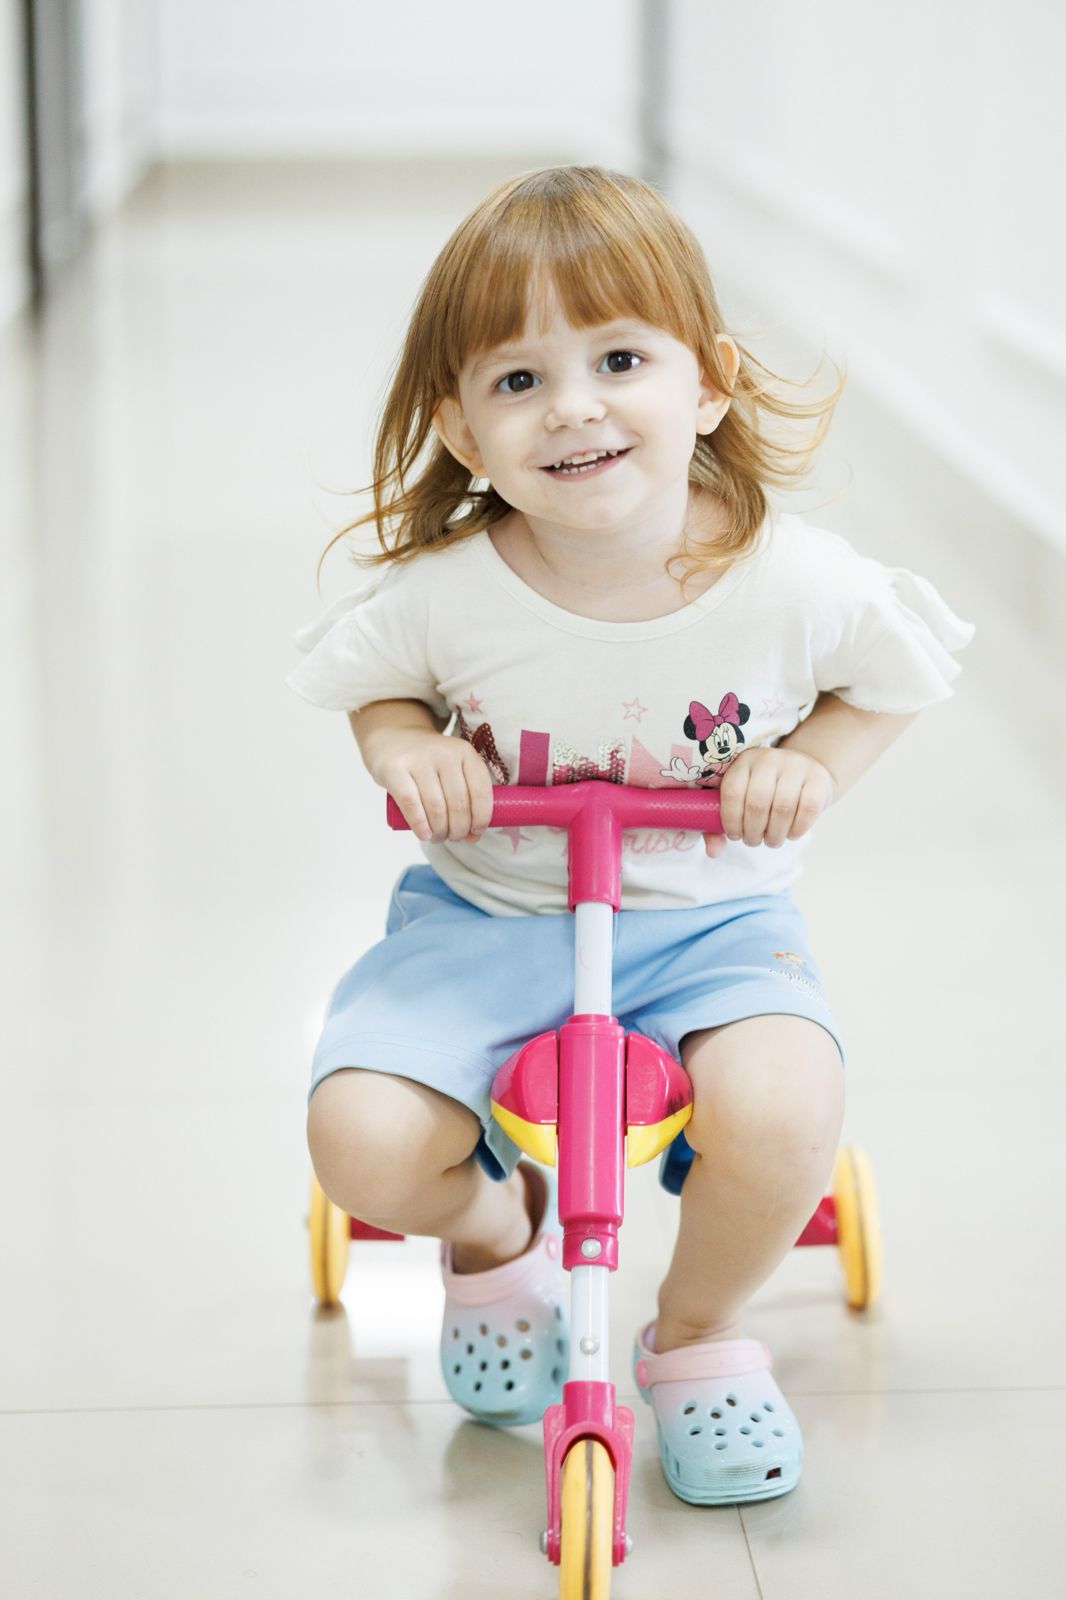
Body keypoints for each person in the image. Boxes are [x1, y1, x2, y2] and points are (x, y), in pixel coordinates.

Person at [287, 164, 974, 1505]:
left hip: (711, 922)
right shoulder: (448, 595)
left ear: (707, 383)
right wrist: (406, 747)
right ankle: (498, 1234)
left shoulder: (789, 580)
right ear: (462, 430)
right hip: (488, 916)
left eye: (617, 360)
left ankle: (700, 1332)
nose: (574, 407)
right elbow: (370, 678)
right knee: (359, 1136)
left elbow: (896, 675)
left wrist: (808, 762)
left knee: (785, 1107)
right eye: (519, 379)